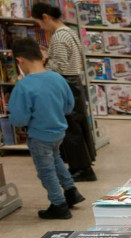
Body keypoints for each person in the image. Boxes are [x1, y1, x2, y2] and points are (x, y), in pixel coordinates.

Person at [8, 38, 85, 220]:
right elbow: (69, 106)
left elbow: (19, 118)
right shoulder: (57, 78)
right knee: (56, 160)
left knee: (46, 170)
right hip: (59, 131)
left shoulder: (24, 86)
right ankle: (71, 191)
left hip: (39, 135)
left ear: (20, 60)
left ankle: (58, 205)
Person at [32, 3, 97, 182]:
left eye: (39, 23)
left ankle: (82, 169)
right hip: (73, 82)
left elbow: (58, 66)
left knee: (70, 128)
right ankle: (83, 165)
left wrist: (44, 62)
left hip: (66, 83)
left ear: (46, 17)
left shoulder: (59, 36)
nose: (41, 27)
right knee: (77, 126)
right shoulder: (70, 32)